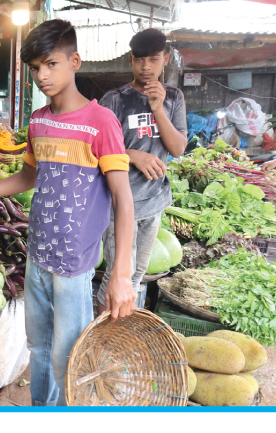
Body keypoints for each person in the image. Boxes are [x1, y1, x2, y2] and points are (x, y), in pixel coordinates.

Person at [0, 19, 136, 407]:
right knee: (38, 349)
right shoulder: (39, 122)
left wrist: (121, 274)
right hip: (38, 256)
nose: (41, 75)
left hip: (74, 266)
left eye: (51, 64)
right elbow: (26, 178)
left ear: (74, 61)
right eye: (35, 68)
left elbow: (124, 200)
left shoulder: (100, 122)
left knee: (67, 357)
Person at [96, 29, 187, 314]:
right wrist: (132, 155)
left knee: (137, 273)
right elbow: (94, 150)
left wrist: (158, 109)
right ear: (131, 61)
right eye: (139, 60)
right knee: (116, 274)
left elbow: (178, 148)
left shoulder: (173, 97)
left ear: (165, 59)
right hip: (119, 203)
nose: (146, 67)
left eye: (153, 59)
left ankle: (123, 328)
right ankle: (103, 336)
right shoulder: (115, 99)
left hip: (154, 201)